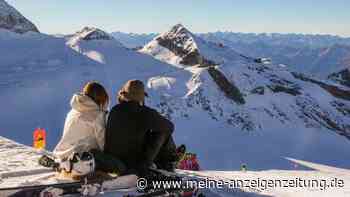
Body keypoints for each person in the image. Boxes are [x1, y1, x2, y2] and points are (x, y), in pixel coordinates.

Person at [105, 80, 178, 176]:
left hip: (113, 162)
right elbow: (170, 127)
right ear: (141, 97)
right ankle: (167, 164)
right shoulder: (145, 113)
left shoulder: (114, 110)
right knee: (163, 131)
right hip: (135, 165)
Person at [52, 81, 126, 176]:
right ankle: (79, 168)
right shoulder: (97, 115)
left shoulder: (73, 111)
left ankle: (64, 165)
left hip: (64, 153)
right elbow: (103, 144)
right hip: (84, 156)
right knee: (120, 167)